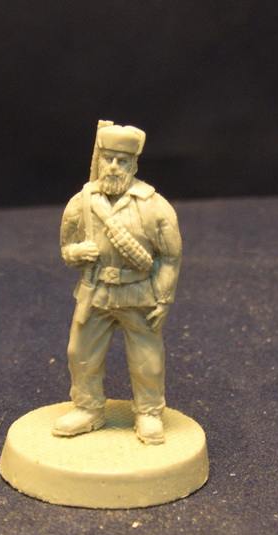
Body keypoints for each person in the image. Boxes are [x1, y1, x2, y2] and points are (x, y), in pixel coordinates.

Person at [52, 122, 182, 444]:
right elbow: (66, 248)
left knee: (146, 358)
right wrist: (77, 252)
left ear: (133, 165)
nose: (112, 166)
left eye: (121, 161)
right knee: (80, 352)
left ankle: (149, 412)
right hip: (95, 290)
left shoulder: (153, 206)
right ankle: (88, 408)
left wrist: (164, 299)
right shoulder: (82, 202)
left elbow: (170, 257)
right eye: (107, 159)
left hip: (138, 292)